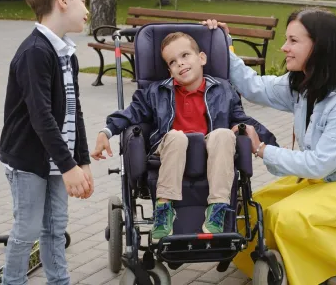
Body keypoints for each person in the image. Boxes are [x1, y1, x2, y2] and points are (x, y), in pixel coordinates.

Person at [201, 8, 336, 285]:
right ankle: (286, 262)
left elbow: (320, 163)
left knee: (285, 217)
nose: (284, 48)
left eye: (293, 41)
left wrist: (262, 149)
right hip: (325, 182)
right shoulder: (306, 82)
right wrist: (223, 41)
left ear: (319, 46)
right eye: (286, 40)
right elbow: (254, 86)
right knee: (255, 209)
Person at [91, 31, 276, 243]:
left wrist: (270, 146)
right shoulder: (156, 92)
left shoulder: (223, 90)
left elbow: (243, 119)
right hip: (169, 150)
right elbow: (131, 113)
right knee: (177, 137)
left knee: (224, 134)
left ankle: (217, 209)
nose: (180, 63)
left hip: (210, 153)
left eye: (185, 55)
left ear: (202, 58)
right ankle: (164, 209)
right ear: (169, 70)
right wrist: (106, 131)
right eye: (173, 61)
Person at [0, 0, 93, 284]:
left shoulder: (66, 52)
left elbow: (74, 109)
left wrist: (82, 160)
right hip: (28, 159)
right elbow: (41, 116)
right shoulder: (35, 52)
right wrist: (69, 166)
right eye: (84, 0)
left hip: (57, 158)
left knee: (55, 228)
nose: (87, 10)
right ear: (63, 1)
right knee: (27, 230)